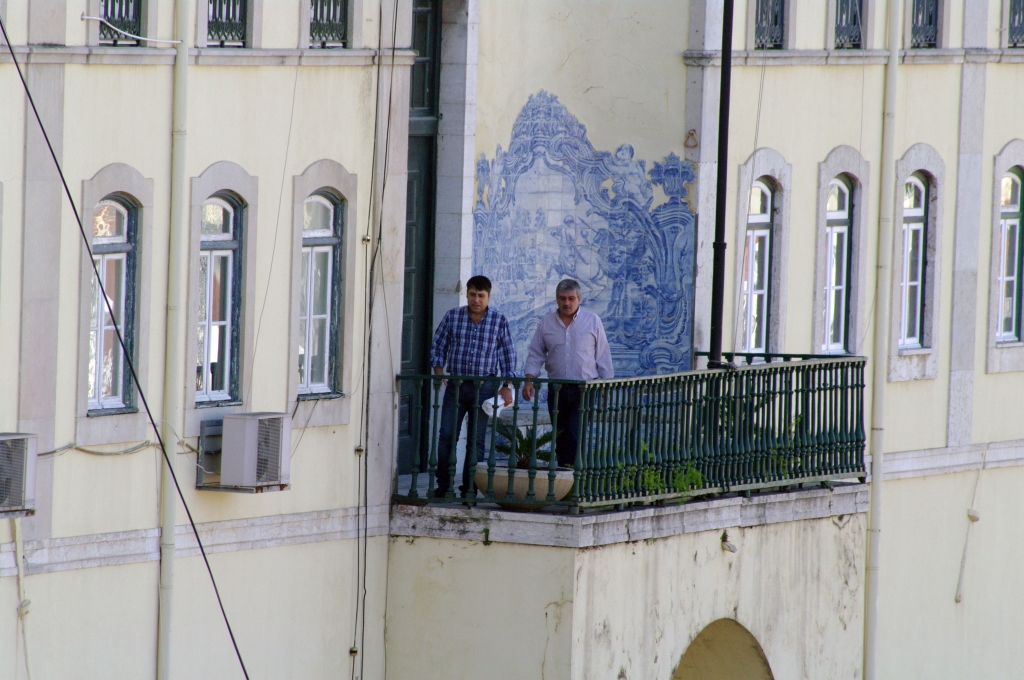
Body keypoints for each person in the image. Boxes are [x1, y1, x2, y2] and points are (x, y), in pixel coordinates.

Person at [430, 275, 516, 497]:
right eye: (472, 295)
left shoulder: (498, 320)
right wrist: (438, 371)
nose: (476, 300)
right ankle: (444, 485)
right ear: (467, 294)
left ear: (488, 296)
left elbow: (508, 354)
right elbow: (438, 344)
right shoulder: (453, 316)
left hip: (484, 388)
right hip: (456, 386)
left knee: (475, 441)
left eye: (481, 296)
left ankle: (470, 488)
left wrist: (507, 385)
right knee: (447, 435)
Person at [523, 279, 613, 466]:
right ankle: (563, 474)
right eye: (562, 298)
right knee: (560, 434)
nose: (566, 303)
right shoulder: (546, 323)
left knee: (575, 433)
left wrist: (606, 384)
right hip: (557, 389)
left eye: (571, 298)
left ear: (579, 299)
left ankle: (574, 474)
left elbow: (603, 354)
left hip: (584, 389)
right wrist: (529, 379)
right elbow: (536, 353)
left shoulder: (592, 321)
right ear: (556, 298)